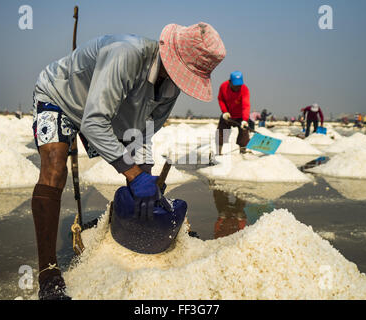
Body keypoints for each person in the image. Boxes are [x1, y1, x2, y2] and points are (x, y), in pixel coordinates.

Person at [31, 22, 226, 300]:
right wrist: (133, 174)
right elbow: (95, 121)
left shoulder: (172, 87)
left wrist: (144, 175)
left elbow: (143, 131)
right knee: (54, 165)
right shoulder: (124, 55)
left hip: (105, 112)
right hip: (60, 98)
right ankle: (48, 273)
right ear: (169, 55)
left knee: (139, 181)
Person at [216, 71, 251, 155]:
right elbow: (221, 99)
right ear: (230, 82)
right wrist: (224, 112)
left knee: (244, 134)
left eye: (239, 85)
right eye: (235, 86)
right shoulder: (223, 87)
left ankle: (243, 151)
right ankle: (218, 151)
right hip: (228, 115)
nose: (237, 88)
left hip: (240, 116)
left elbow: (246, 105)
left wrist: (245, 120)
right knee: (221, 132)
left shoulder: (244, 89)